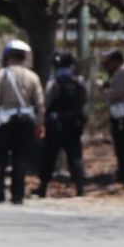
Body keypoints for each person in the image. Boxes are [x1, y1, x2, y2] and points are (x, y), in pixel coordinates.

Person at [0, 39, 45, 204]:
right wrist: (40, 124)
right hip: (25, 121)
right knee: (20, 158)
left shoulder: (1, 75)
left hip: (5, 120)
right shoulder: (32, 77)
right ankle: (17, 195)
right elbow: (40, 103)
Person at [35, 51, 87, 197]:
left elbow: (45, 102)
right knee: (75, 156)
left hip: (56, 124)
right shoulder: (79, 81)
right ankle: (80, 188)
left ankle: (42, 188)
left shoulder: (54, 82)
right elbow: (84, 100)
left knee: (49, 156)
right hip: (74, 124)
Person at [101, 48, 124, 184]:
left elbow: (117, 93)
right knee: (122, 142)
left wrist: (105, 91)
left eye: (110, 62)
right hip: (123, 108)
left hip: (123, 110)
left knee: (123, 142)